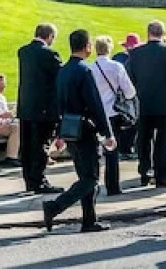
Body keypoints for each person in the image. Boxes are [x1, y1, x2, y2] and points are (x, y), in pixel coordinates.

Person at [41, 30, 117, 234]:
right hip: (85, 128)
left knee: (85, 176)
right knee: (90, 177)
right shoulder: (84, 70)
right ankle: (55, 206)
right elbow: (95, 104)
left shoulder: (63, 70)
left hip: (69, 128)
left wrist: (58, 132)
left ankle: (89, 220)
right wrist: (108, 132)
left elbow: (58, 103)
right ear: (87, 46)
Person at [125, 20, 166, 188]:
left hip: (143, 103)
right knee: (164, 142)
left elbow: (129, 79)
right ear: (163, 34)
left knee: (143, 140)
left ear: (148, 33)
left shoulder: (136, 53)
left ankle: (145, 172)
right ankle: (163, 175)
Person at [16, 24, 63, 195]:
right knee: (41, 145)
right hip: (44, 108)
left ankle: (29, 180)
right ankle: (39, 180)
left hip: (26, 106)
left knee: (27, 145)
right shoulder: (50, 54)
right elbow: (60, 78)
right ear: (49, 36)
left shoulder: (23, 51)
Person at [89, 36, 136, 196]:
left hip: (95, 113)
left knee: (94, 151)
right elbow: (130, 92)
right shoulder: (116, 67)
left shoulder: (90, 68)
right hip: (113, 112)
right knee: (112, 152)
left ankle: (91, 185)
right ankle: (113, 186)